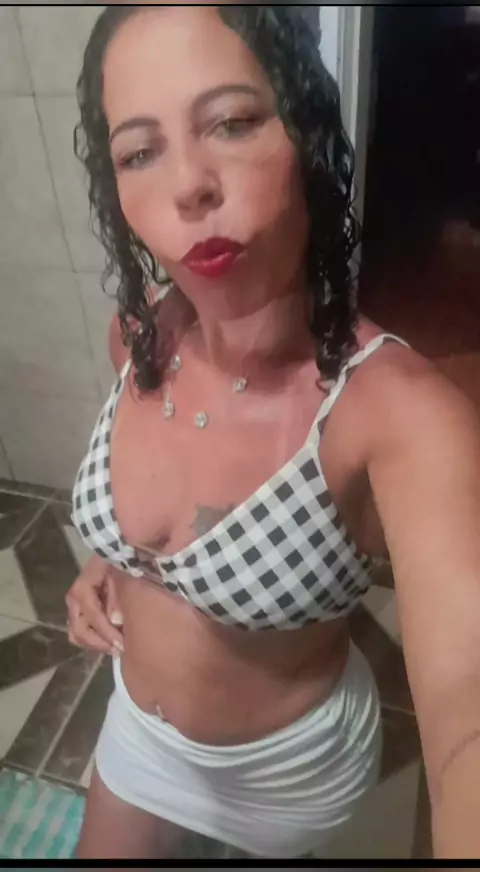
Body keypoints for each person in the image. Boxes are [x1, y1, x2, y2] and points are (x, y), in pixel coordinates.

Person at [67, 4, 480, 860]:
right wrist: (107, 566)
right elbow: (156, 520)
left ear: (306, 136)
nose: (188, 184)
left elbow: (467, 710)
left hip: (285, 775)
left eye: (231, 122)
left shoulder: (400, 415)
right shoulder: (137, 341)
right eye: (140, 152)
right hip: (138, 733)